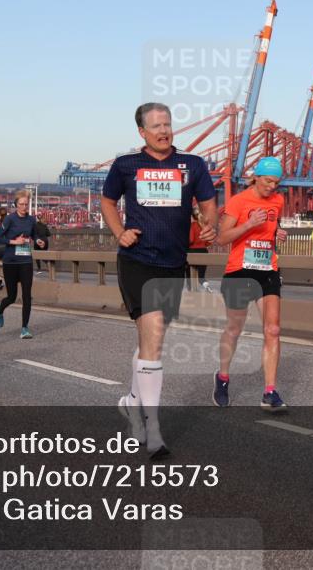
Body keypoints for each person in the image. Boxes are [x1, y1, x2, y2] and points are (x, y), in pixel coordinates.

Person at [101, 102, 217, 459]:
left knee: (154, 338)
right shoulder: (126, 165)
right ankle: (153, 428)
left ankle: (133, 401)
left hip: (173, 262)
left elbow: (209, 202)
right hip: (137, 260)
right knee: (151, 331)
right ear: (142, 132)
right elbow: (107, 201)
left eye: (168, 124)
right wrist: (119, 232)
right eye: (157, 126)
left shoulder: (193, 165)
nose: (165, 131)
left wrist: (209, 222)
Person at [214, 157, 289, 411]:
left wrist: (277, 232)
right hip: (239, 272)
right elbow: (222, 238)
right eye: (268, 180)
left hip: (267, 270)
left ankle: (269, 392)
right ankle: (223, 377)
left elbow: (273, 226)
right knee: (234, 330)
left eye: (276, 182)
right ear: (256, 177)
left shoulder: (278, 201)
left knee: (273, 330)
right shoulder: (238, 201)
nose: (272, 187)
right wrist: (249, 224)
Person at [0, 189, 44, 338]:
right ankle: (0, 309)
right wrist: (14, 242)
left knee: (27, 296)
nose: (24, 207)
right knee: (12, 297)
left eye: (26, 204)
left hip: (26, 261)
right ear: (16, 205)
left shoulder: (31, 220)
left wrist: (38, 240)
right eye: (21, 204)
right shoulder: (10, 219)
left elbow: (34, 234)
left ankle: (24, 328)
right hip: (10, 262)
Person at [185, 206, 213, 292]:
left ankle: (190, 288)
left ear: (192, 216)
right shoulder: (204, 226)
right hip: (204, 252)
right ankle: (206, 285)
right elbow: (209, 242)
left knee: (188, 271)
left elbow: (191, 239)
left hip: (192, 252)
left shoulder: (192, 226)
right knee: (201, 276)